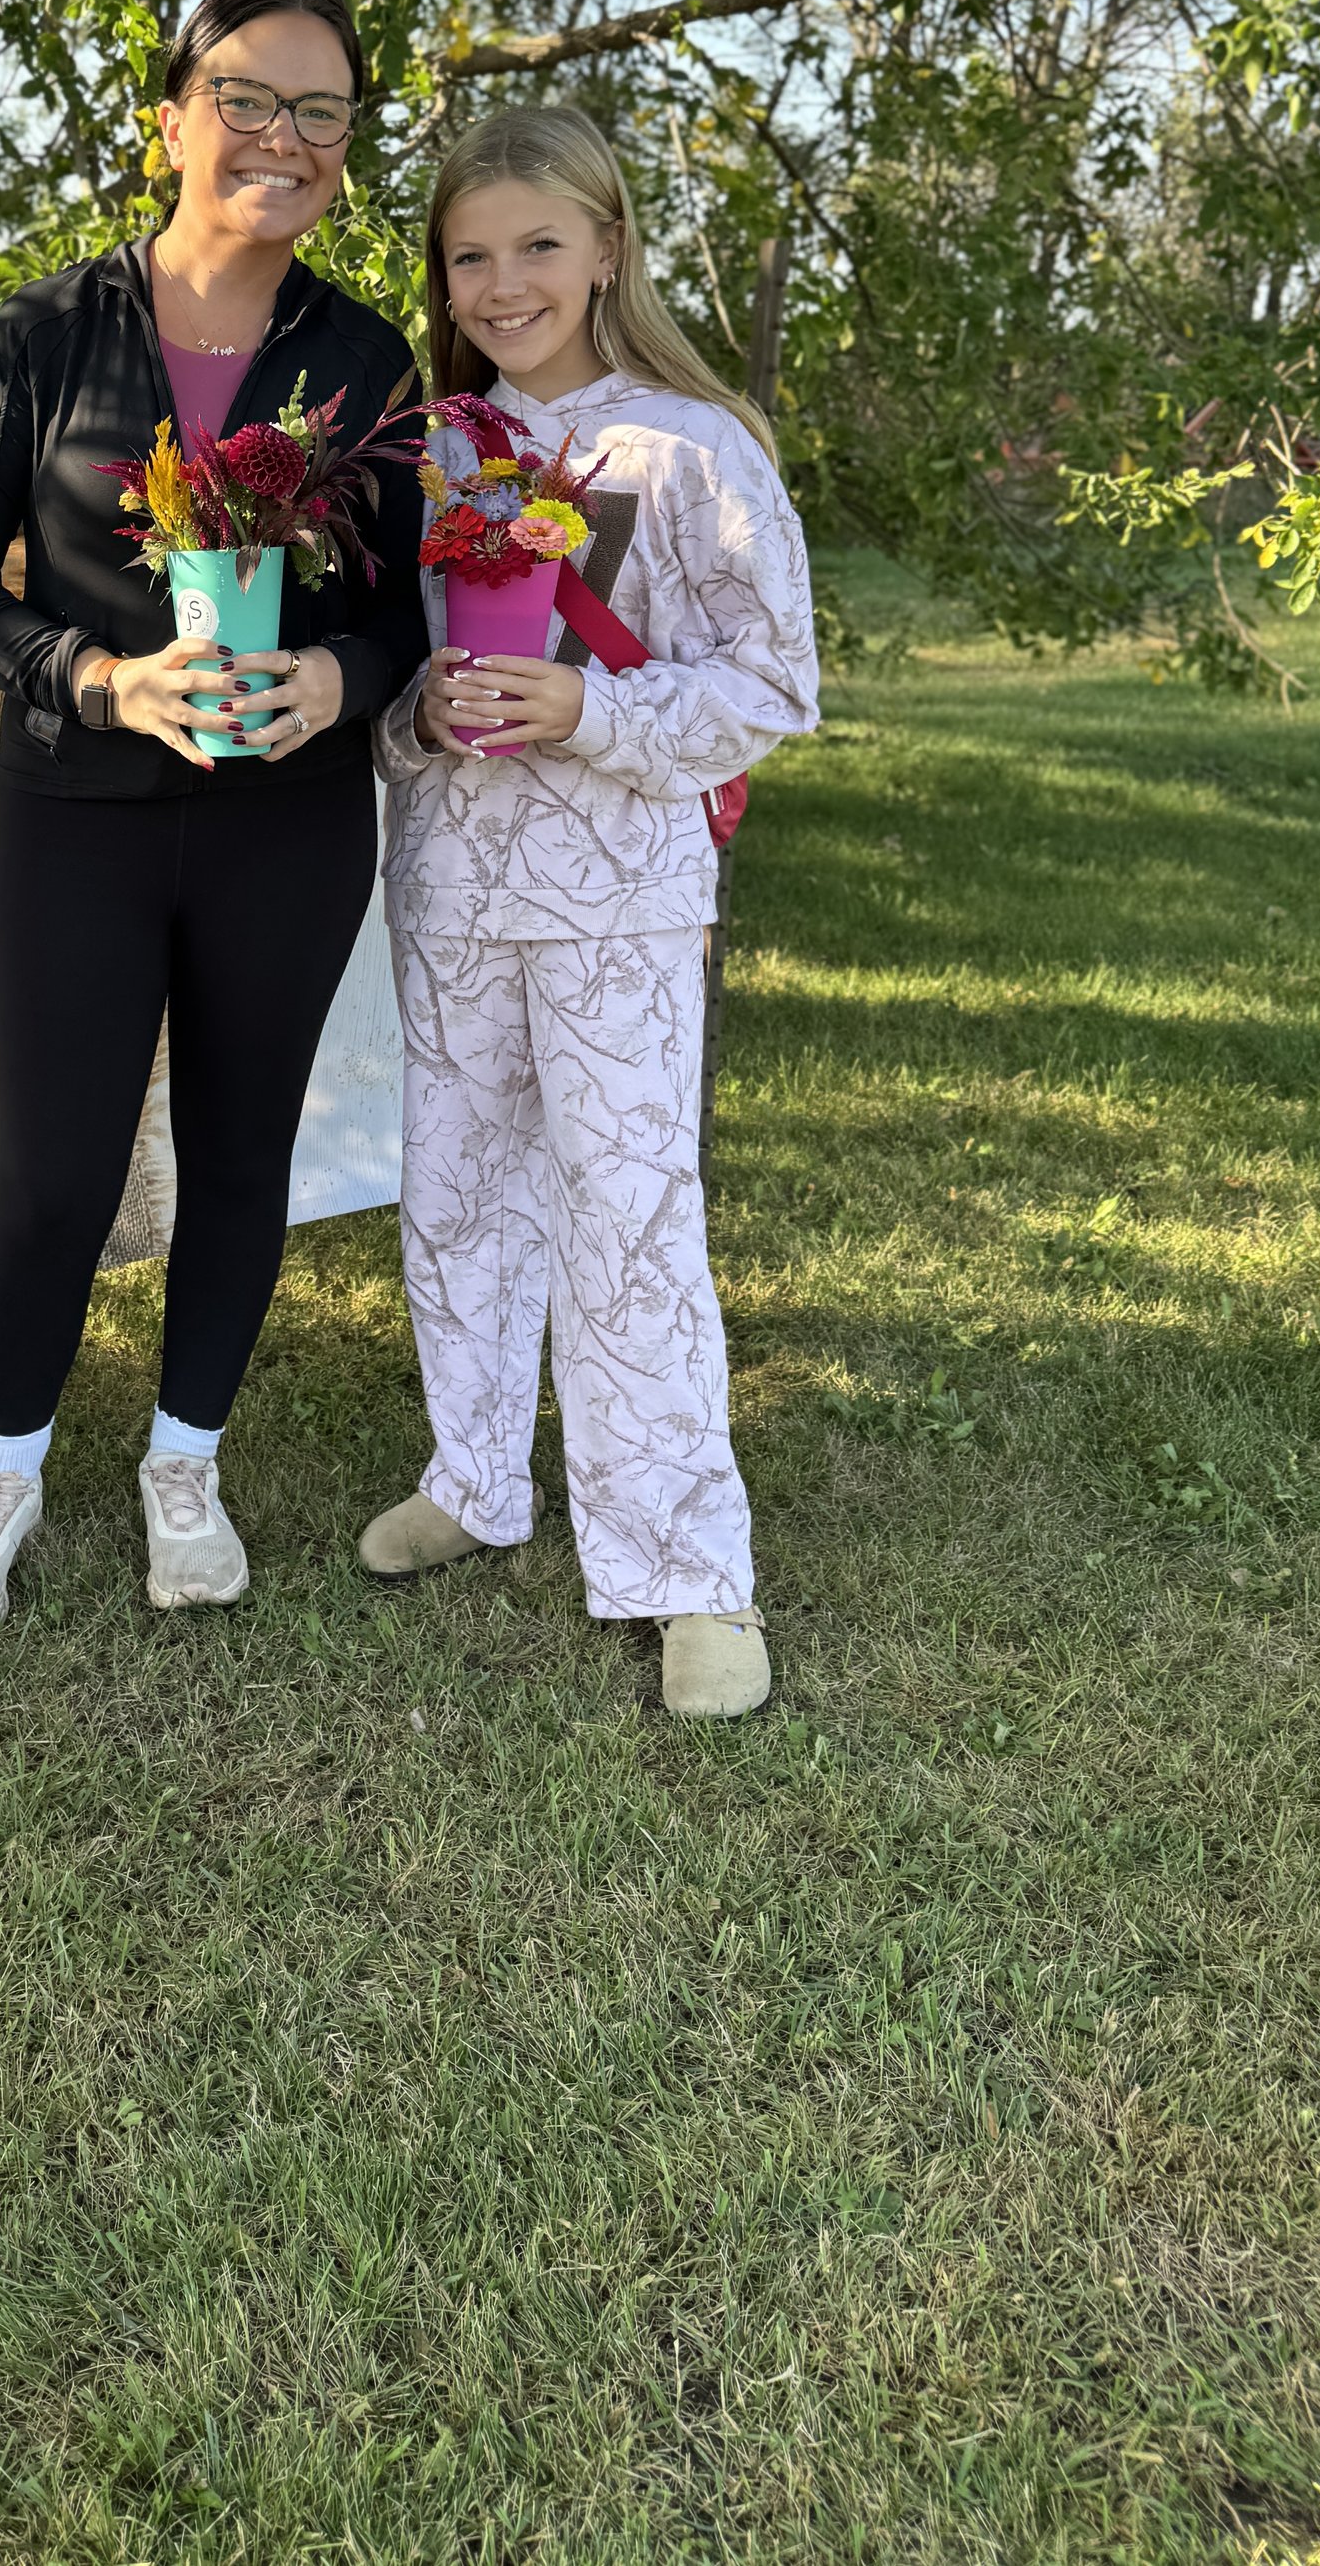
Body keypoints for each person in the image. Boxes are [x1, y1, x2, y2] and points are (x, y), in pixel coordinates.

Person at [0, 0, 427, 1631]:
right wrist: (99, 679)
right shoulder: (53, 331)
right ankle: (3, 1473)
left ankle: (182, 1462)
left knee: (240, 1151)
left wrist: (344, 678)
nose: (285, 137)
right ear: (172, 120)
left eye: (322, 112)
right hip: (78, 808)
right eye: (250, 100)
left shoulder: (362, 354)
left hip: (288, 819)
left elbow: (410, 599)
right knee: (54, 1172)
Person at [358, 104, 819, 1718]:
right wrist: (423, 714)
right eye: (469, 254)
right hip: (455, 891)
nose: (502, 282)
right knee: (459, 1193)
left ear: (609, 245)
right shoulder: (430, 451)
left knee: (629, 1221)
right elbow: (382, 679)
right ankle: (476, 1475)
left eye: (538, 245)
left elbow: (776, 683)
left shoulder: (696, 445)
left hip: (621, 899)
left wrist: (590, 713)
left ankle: (688, 1568)